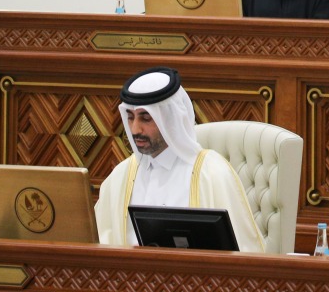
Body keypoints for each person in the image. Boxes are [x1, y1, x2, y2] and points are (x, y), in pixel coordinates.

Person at [94, 67, 265, 251]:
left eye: (146, 118)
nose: (135, 130)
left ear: (170, 119)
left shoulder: (211, 173)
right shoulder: (121, 176)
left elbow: (241, 255)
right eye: (130, 118)